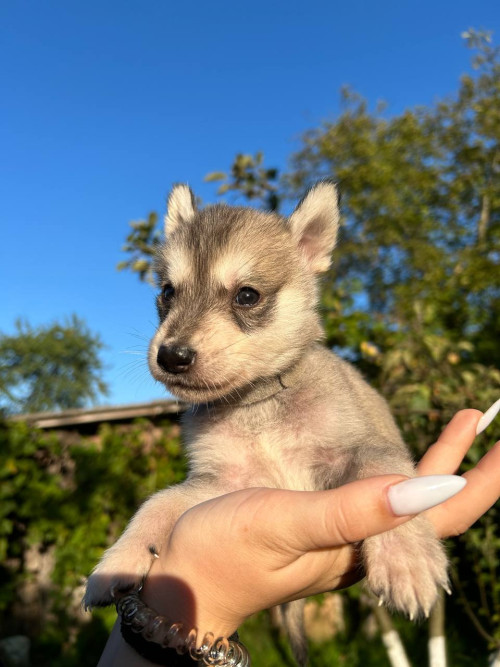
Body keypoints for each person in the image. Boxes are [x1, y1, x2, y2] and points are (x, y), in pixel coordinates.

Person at [98, 407, 500, 666]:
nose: (173, 342)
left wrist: (399, 529)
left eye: (247, 296)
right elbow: (208, 489)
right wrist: (161, 545)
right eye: (169, 293)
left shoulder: (322, 382)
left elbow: (365, 452)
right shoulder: (206, 412)